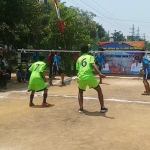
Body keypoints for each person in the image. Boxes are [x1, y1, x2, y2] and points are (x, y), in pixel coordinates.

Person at [76, 45, 108, 113]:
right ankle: (102, 108)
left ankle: (81, 109)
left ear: (81, 51)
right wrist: (99, 73)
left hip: (81, 76)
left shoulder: (79, 59)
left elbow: (77, 70)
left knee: (80, 91)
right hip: (89, 76)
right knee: (99, 90)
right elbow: (93, 65)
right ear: (87, 51)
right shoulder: (90, 57)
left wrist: (78, 78)